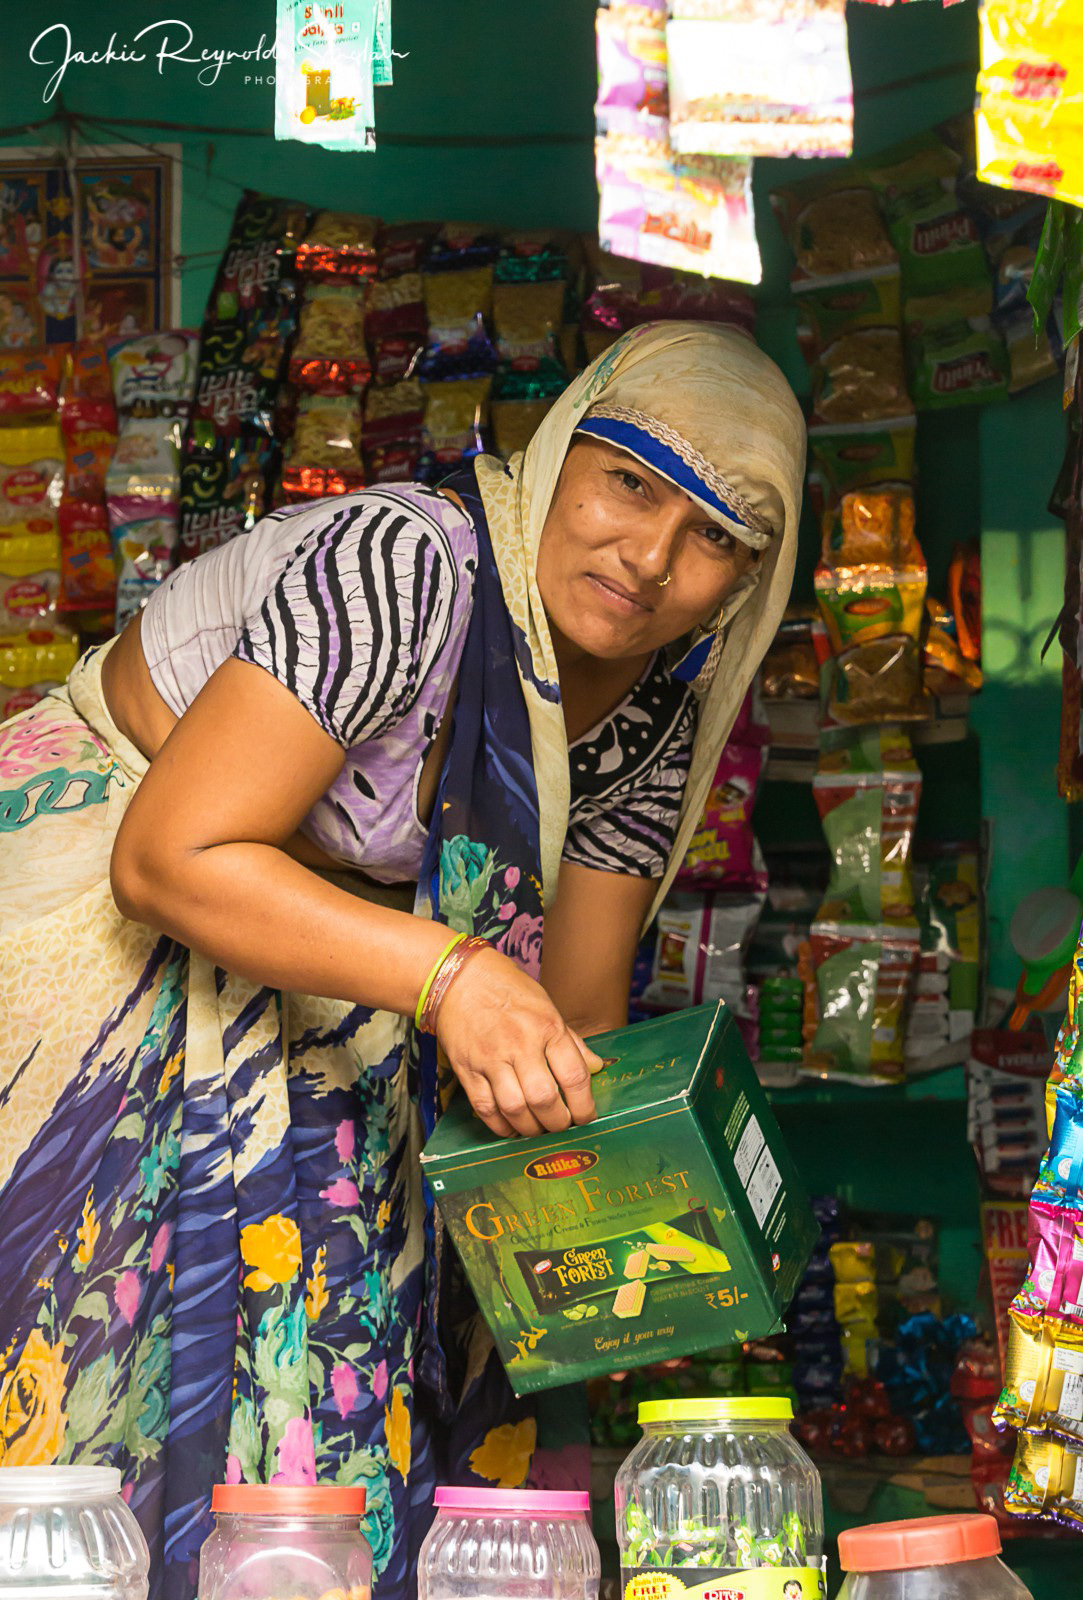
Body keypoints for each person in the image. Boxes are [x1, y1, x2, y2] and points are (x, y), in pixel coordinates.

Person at [0, 321, 805, 1600]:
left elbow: (578, 1012)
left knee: (335, 1404)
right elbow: (169, 858)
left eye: (717, 537)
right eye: (630, 484)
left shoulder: (659, 692)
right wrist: (458, 978)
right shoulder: (407, 563)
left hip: (339, 970)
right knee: (97, 1385)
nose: (649, 558)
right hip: (120, 908)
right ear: (558, 457)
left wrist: (645, 1246)